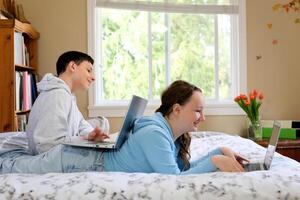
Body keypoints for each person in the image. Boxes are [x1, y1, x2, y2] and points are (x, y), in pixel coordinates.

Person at [0, 80, 248, 174]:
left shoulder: (167, 133)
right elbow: (175, 180)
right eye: (198, 110)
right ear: (176, 109)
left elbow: (182, 169)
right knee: (12, 167)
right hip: (74, 160)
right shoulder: (155, 134)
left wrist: (220, 152)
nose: (202, 118)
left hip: (85, 157)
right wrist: (215, 163)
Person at [26, 51, 109, 155]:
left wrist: (91, 135)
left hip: (59, 147)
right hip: (49, 157)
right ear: (73, 66)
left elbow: (81, 124)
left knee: (102, 122)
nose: (93, 77)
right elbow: (47, 146)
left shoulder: (67, 95)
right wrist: (85, 138)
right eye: (88, 70)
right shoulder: (57, 95)